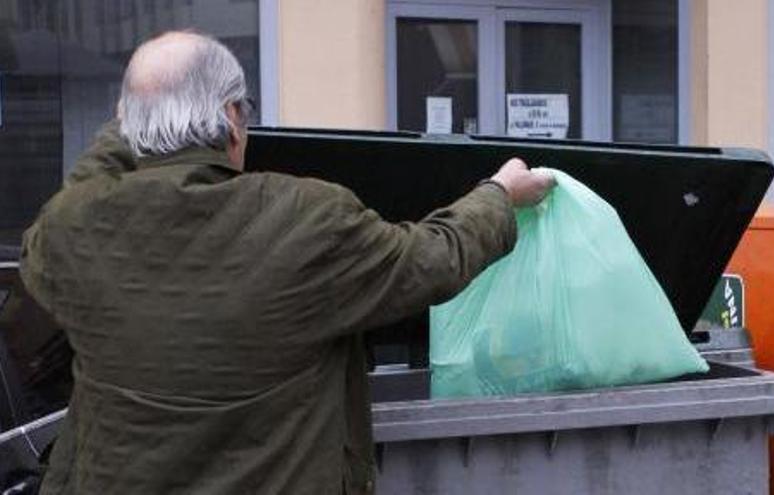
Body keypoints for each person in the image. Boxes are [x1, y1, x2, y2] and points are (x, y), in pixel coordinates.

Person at [19, 31, 554, 494]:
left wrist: (131, 122)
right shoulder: (305, 218)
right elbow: (432, 259)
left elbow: (78, 197)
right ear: (232, 119)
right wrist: (498, 194)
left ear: (129, 125)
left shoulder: (70, 230)